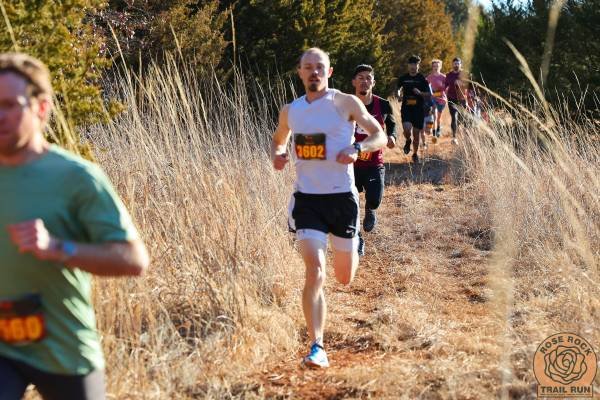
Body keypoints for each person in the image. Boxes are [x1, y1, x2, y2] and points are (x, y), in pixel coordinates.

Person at [0, 53, 149, 400]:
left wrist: (56, 248)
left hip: (64, 348)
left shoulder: (76, 177)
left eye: (9, 105)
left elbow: (134, 260)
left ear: (41, 108)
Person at [271, 48, 386, 368]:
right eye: (308, 67)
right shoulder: (291, 110)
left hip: (342, 199)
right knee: (315, 271)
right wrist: (278, 154)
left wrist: (357, 147)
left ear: (329, 72)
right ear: (300, 72)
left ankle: (354, 244)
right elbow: (279, 139)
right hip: (307, 200)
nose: (314, 72)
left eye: (320, 67)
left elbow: (379, 135)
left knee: (344, 277)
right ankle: (317, 346)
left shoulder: (345, 102)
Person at [350, 64, 397, 256]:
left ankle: (370, 209)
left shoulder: (383, 104)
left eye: (368, 77)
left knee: (375, 200)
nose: (364, 81)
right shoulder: (346, 105)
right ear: (354, 82)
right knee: (351, 204)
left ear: (374, 82)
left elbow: (392, 125)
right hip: (350, 164)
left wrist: (392, 136)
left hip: (374, 163)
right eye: (360, 77)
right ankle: (358, 238)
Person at [396, 55, 432, 163]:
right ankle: (408, 140)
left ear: (418, 66)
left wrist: (420, 93)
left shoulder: (422, 79)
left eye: (415, 64)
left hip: (418, 109)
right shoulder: (403, 78)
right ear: (408, 66)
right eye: (411, 64)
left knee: (416, 135)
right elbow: (398, 89)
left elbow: (429, 94)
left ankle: (415, 154)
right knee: (407, 129)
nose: (413, 66)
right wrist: (399, 95)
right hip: (406, 108)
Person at [445, 57, 467, 144]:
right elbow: (445, 86)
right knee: (454, 117)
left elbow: (470, 85)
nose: (456, 65)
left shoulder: (464, 74)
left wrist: (462, 84)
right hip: (451, 98)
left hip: (462, 99)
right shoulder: (449, 75)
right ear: (452, 64)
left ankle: (464, 136)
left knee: (462, 118)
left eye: (458, 63)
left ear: (461, 64)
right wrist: (444, 91)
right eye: (455, 64)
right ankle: (454, 137)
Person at [426, 59, 447, 142]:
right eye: (434, 66)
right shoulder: (429, 77)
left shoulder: (444, 77)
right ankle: (434, 134)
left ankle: (438, 129)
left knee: (438, 117)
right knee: (434, 116)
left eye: (437, 66)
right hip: (432, 100)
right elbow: (425, 86)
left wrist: (436, 93)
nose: (436, 67)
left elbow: (445, 89)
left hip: (441, 100)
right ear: (432, 67)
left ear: (440, 67)